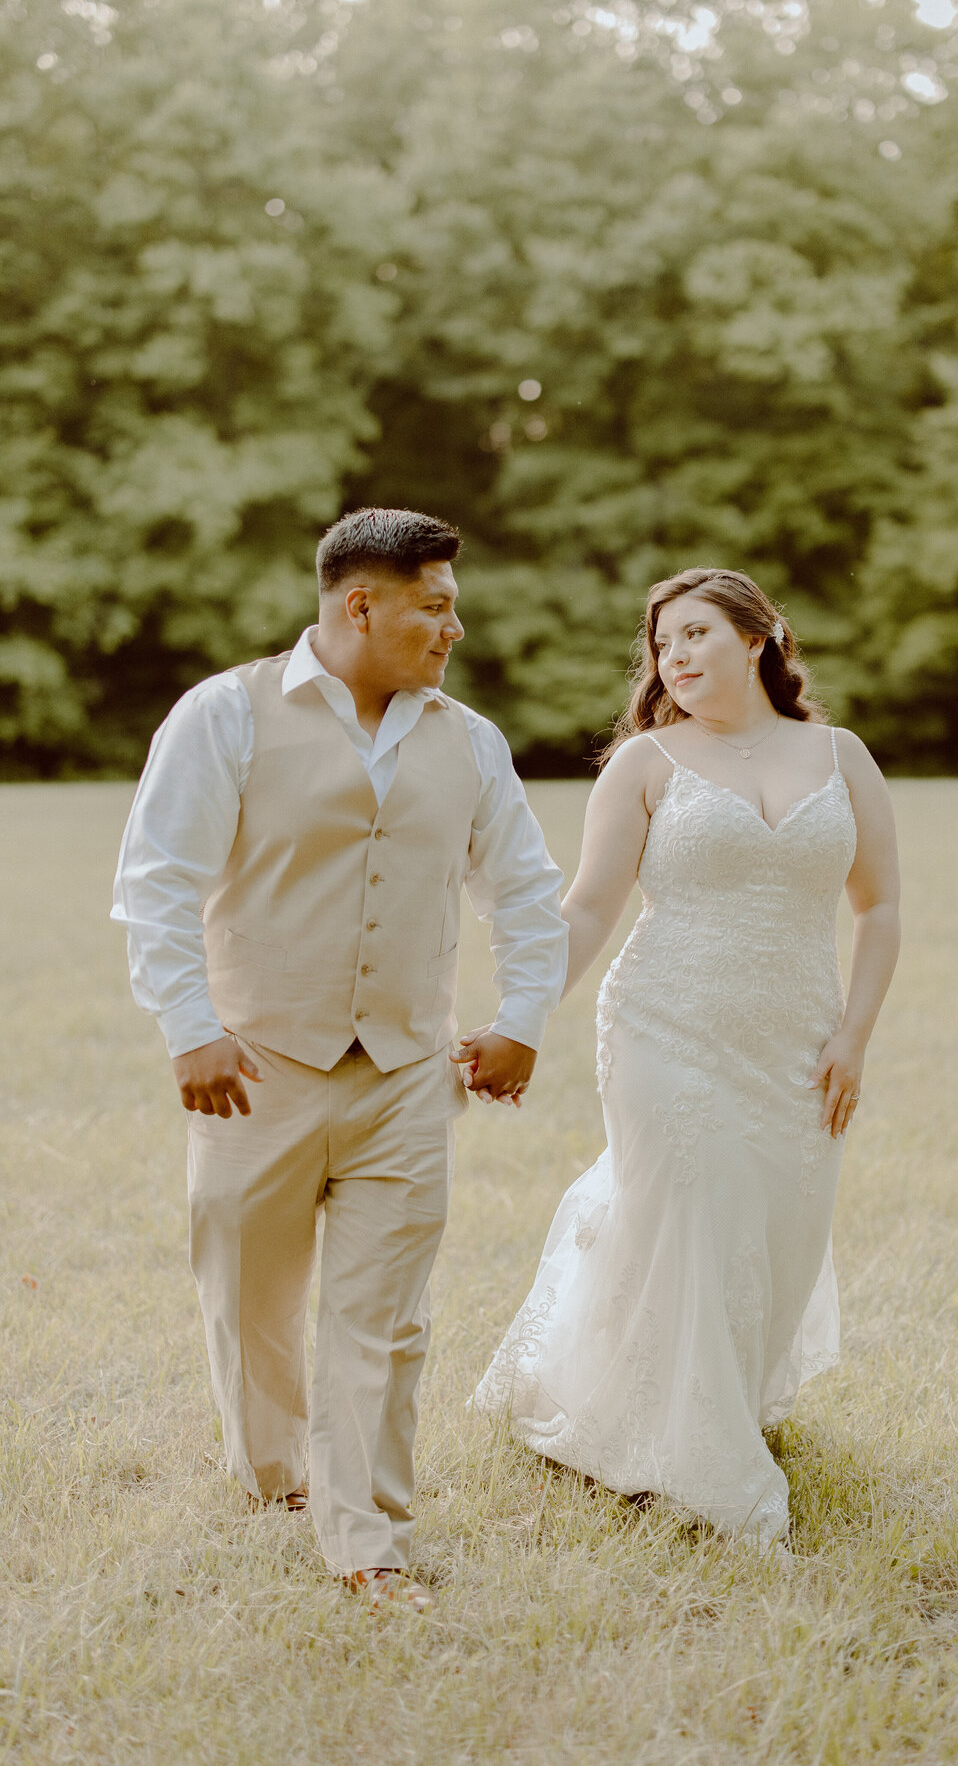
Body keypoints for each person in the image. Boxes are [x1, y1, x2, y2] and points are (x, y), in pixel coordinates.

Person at [112, 508, 568, 1611]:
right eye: (435, 604)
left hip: (409, 1073)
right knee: (249, 1293)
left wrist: (522, 1016)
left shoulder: (468, 739)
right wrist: (190, 1029)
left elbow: (524, 891)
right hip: (253, 1067)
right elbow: (157, 883)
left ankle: (366, 1536)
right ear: (359, 606)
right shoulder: (225, 714)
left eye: (453, 603)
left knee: (384, 1316)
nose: (454, 626)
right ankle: (273, 1476)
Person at [470, 567, 900, 1551]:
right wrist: (520, 1017)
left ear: (758, 637)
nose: (676, 656)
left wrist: (855, 1037)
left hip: (797, 1041)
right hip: (663, 1027)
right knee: (697, 1217)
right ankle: (712, 1475)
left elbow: (882, 909)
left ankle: (689, 1405)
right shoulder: (645, 766)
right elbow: (587, 910)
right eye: (663, 644)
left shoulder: (842, 758)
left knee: (772, 1232)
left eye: (697, 633)